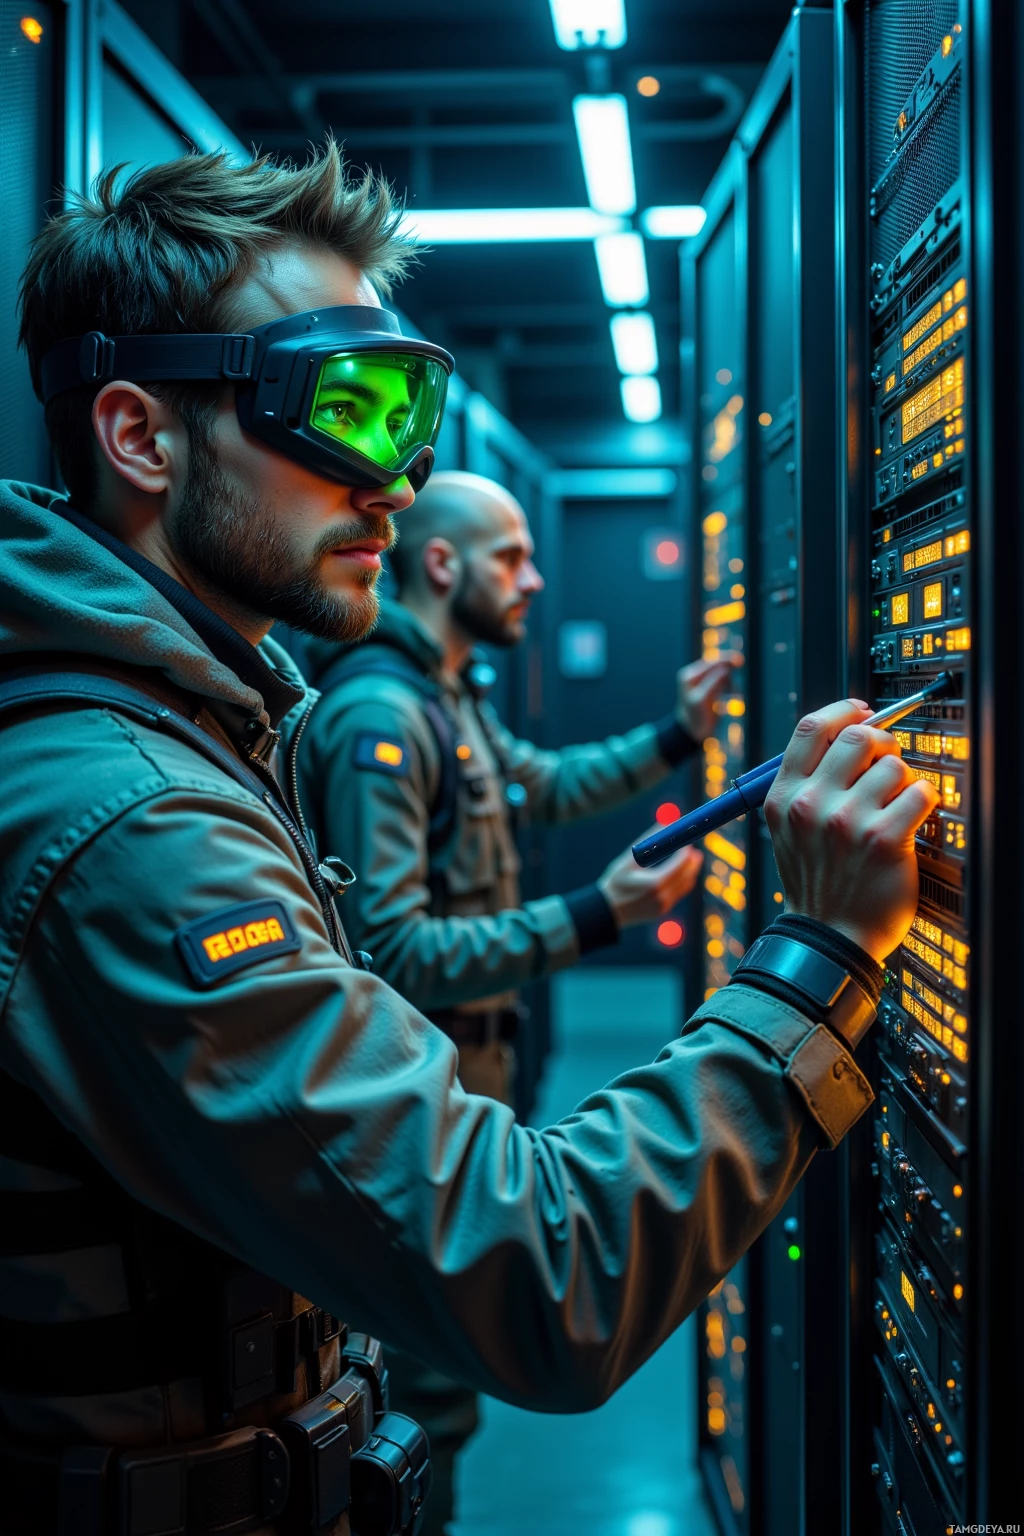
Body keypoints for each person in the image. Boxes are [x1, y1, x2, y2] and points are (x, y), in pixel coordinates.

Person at [0, 144, 938, 1536]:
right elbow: (545, 1274)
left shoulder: (197, 728)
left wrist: (673, 756)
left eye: (413, 412)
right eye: (346, 408)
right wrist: (814, 962)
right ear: (140, 436)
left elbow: (530, 788)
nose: (397, 476)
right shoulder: (135, 823)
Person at [289, 472, 737, 1529]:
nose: (534, 580)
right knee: (419, 1411)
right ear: (441, 565)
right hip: (413, 1097)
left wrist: (678, 737)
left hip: (467, 1077)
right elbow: (389, 947)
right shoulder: (380, 716)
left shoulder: (449, 697)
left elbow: (543, 782)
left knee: (444, 1402)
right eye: (511, 558)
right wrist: (594, 914)